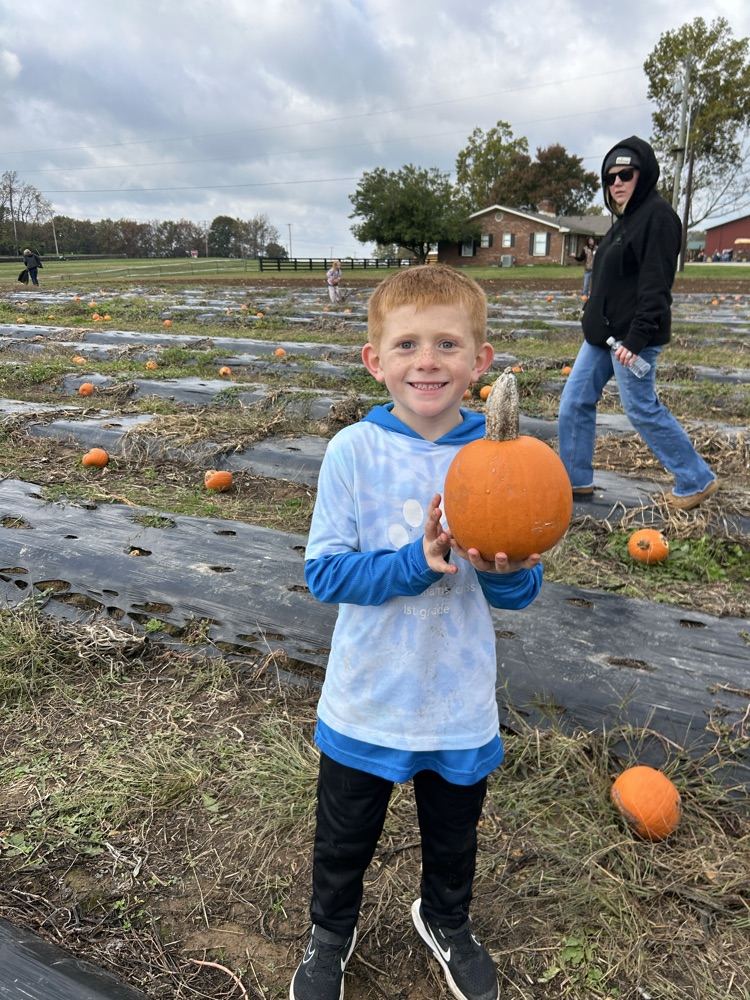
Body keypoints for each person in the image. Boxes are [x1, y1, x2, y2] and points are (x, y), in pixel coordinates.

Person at [290, 264, 543, 1000]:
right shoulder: (354, 452)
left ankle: (445, 919)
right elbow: (326, 575)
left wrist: (496, 568)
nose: (426, 361)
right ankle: (330, 932)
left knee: (454, 830)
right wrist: (415, 562)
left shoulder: (504, 461)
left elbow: (522, 590)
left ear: (480, 361)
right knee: (345, 834)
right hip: (369, 691)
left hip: (455, 693)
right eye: (406, 345)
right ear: (375, 360)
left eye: (446, 344)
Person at [557, 136, 719, 511]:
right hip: (602, 336)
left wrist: (636, 339)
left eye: (625, 174)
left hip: (631, 339)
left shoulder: (658, 218)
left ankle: (697, 479)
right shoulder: (624, 221)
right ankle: (574, 482)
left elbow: (656, 287)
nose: (617, 182)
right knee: (574, 403)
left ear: (643, 175)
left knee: (641, 409)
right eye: (610, 177)